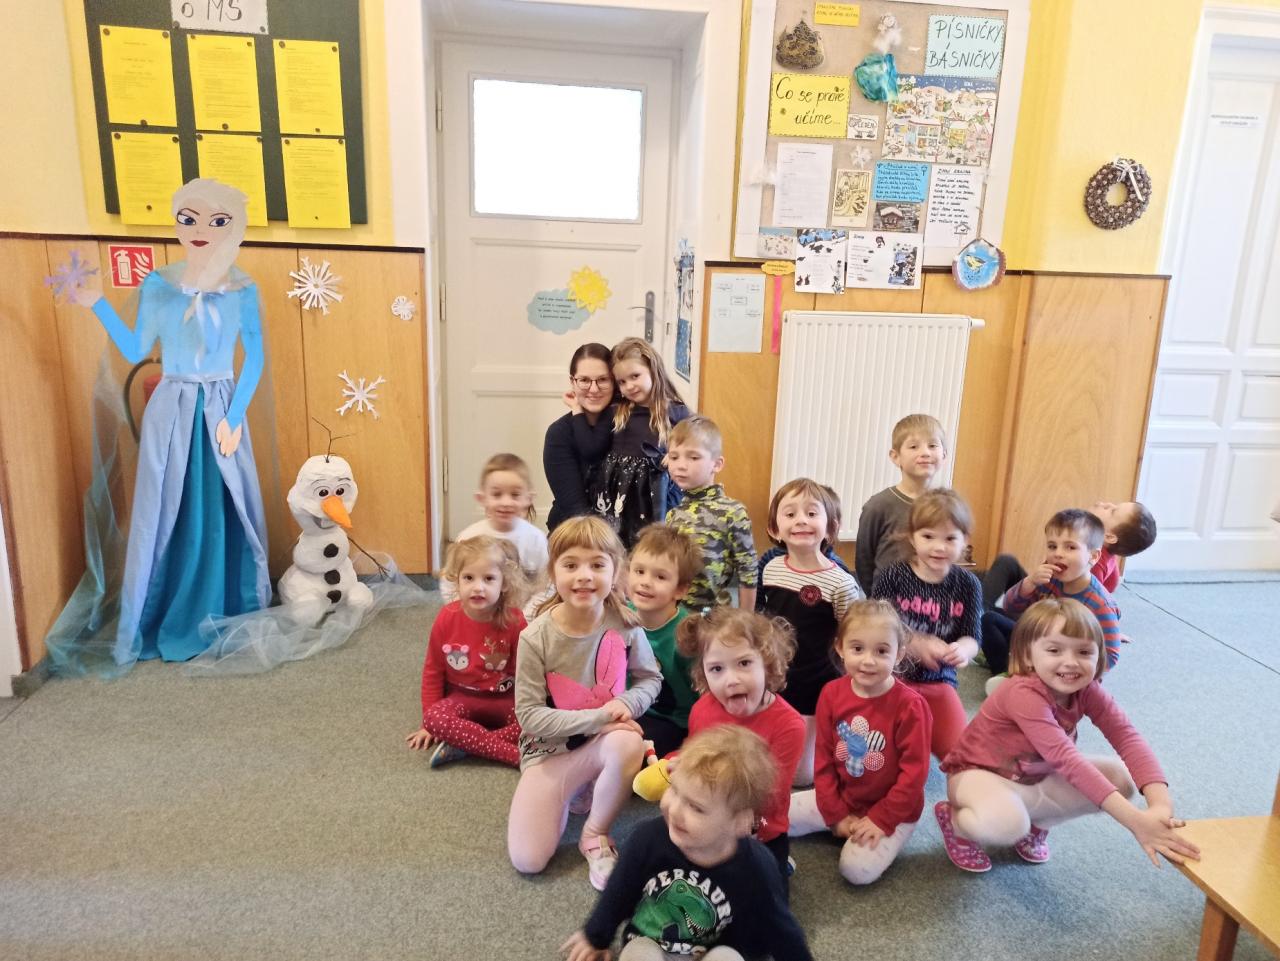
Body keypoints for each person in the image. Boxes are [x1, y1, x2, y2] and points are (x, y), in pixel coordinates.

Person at [55, 178, 270, 669]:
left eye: (216, 220)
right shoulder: (158, 285)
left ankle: (229, 600)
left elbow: (254, 358)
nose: (199, 229)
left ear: (233, 227)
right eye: (187, 219)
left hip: (221, 405)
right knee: (163, 505)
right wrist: (98, 304)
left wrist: (235, 416)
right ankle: (157, 608)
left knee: (224, 502)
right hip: (171, 407)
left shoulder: (242, 289)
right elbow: (136, 348)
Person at [937, 598, 1201, 873]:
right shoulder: (1022, 693)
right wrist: (1136, 822)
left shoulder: (1088, 690)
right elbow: (1066, 759)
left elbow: (1127, 737)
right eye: (1054, 650)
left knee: (1119, 779)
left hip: (1034, 776)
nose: (1071, 662)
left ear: (1099, 656)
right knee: (1008, 824)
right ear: (1027, 656)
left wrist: (1160, 806)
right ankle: (957, 824)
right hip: (978, 775)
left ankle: (1038, 823)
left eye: (1084, 652)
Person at [561, 726, 813, 961]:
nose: (675, 810)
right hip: (650, 941)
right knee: (637, 955)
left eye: (696, 807)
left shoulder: (758, 866)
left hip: (715, 951)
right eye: (675, 790)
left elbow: (780, 928)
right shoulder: (647, 839)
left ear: (740, 822)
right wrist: (595, 936)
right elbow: (619, 890)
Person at [508, 516, 663, 891]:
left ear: (615, 572)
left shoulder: (626, 623)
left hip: (606, 742)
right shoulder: (535, 637)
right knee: (528, 860)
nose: (584, 576)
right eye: (571, 565)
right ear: (553, 572)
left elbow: (650, 678)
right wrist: (600, 717)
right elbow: (529, 716)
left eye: (597, 565)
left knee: (627, 742)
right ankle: (576, 790)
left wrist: (627, 703)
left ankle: (595, 833)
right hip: (549, 751)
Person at [635, 607, 804, 888]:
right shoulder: (703, 709)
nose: (732, 679)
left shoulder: (789, 725)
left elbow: (771, 796)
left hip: (758, 829)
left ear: (767, 664)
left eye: (744, 663)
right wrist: (675, 765)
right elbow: (694, 757)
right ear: (703, 674)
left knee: (764, 899)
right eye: (717, 669)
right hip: (703, 821)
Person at [789, 600, 931, 885]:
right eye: (857, 648)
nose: (868, 660)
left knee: (856, 871)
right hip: (844, 796)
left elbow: (914, 776)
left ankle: (883, 831)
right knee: (771, 816)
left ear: (900, 654)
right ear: (840, 648)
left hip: (894, 808)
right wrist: (836, 813)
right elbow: (824, 759)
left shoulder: (911, 707)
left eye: (881, 651)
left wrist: (882, 818)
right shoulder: (831, 693)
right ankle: (842, 827)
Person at [756, 478, 863, 786]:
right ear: (775, 528)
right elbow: (762, 616)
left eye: (812, 513)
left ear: (831, 527)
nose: (801, 520)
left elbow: (852, 635)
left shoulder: (840, 583)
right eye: (790, 514)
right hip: (776, 676)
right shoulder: (771, 568)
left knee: (800, 778)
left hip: (817, 681)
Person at [871, 489, 982, 760]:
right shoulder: (893, 575)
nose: (939, 547)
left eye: (950, 538)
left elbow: (972, 637)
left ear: (964, 540)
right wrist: (913, 644)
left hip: (940, 681)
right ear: (912, 537)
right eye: (928, 536)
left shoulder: (968, 584)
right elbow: (874, 628)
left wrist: (962, 650)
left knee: (961, 757)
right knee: (878, 753)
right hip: (892, 679)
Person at [406, 537, 529, 768]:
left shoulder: (515, 621)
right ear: (457, 580)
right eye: (469, 578)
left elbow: (526, 671)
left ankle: (464, 746)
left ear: (504, 583)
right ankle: (513, 755)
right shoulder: (447, 618)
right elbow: (433, 671)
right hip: (462, 698)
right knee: (433, 719)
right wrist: (426, 725)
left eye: (489, 578)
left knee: (537, 721)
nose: (478, 587)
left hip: (504, 699)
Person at [982, 509, 1121, 678]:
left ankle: (1025, 675)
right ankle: (1006, 673)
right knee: (989, 619)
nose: (1058, 554)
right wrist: (1029, 583)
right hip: (1035, 642)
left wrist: (1073, 664)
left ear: (1093, 556)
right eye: (1052, 546)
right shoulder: (1047, 579)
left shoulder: (1100, 603)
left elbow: (1111, 655)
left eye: (1070, 547)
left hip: (1065, 665)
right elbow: (1011, 607)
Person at [584, 338, 691, 547]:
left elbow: (693, 443)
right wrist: (578, 410)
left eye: (635, 376)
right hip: (619, 494)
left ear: (653, 369)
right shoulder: (617, 411)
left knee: (653, 545)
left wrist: (675, 455)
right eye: (622, 382)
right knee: (618, 545)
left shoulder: (676, 412)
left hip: (655, 493)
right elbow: (593, 446)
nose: (629, 386)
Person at [981, 499, 1157, 606]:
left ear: (1109, 537)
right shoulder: (1109, 559)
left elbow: (1088, 604)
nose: (1107, 504)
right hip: (1038, 591)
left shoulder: (1092, 564)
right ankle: (981, 602)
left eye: (1112, 511)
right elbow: (1110, 591)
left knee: (994, 616)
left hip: (1041, 613)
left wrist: (1102, 628)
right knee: (1005, 564)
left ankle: (979, 611)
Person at [663, 416, 758, 612]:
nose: (681, 465)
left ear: (717, 464)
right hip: (676, 614)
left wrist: (745, 620)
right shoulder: (673, 514)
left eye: (693, 457)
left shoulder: (733, 512)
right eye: (674, 457)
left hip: (715, 617)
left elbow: (748, 570)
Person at [628, 524, 704, 759]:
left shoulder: (689, 634)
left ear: (680, 590)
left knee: (633, 753)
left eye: (660, 576)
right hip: (627, 705)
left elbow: (704, 693)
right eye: (639, 571)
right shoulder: (620, 617)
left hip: (670, 719)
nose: (645, 582)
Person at [854, 414, 949, 595]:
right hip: (888, 602)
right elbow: (864, 561)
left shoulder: (948, 506)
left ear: (944, 455)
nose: (925, 452)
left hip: (933, 601)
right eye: (914, 446)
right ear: (895, 456)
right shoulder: (878, 506)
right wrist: (877, 598)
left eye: (932, 445)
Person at [441, 453, 548, 604]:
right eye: (497, 494)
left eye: (515, 494)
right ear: (482, 498)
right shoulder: (469, 537)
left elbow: (545, 586)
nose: (506, 502)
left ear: (528, 499)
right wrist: (462, 610)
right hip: (477, 612)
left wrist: (529, 614)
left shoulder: (536, 540)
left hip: (523, 614)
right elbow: (450, 581)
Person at [545, 343, 617, 533]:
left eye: (603, 379)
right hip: (575, 533)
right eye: (584, 380)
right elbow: (575, 510)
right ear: (572, 382)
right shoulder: (558, 434)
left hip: (624, 533)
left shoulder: (628, 425)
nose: (594, 389)